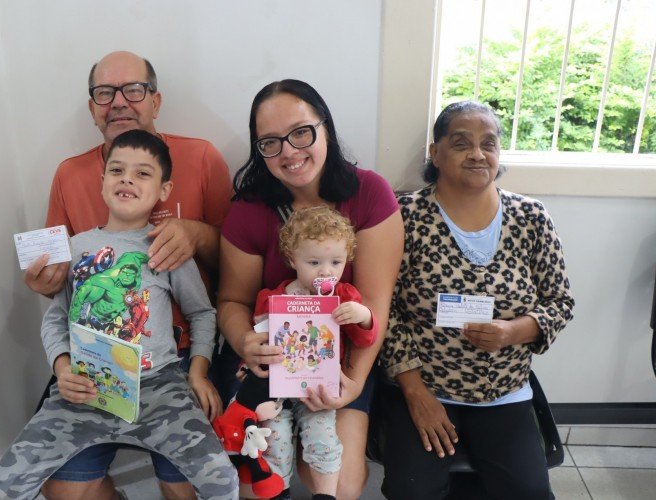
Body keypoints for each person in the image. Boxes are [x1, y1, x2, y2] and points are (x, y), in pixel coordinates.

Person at [0, 130, 237, 500]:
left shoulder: (164, 246)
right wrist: (63, 369)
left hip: (159, 387)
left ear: (164, 190)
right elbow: (56, 318)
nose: (127, 178)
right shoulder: (75, 247)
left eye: (143, 173)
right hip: (85, 387)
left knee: (221, 482)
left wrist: (197, 372)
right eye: (116, 170)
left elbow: (201, 312)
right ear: (102, 183)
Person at [24, 50, 232, 498]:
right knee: (59, 488)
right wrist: (44, 284)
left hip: (175, 357)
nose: (118, 102)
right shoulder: (69, 174)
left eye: (133, 90)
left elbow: (236, 259)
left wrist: (193, 234)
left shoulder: (202, 157)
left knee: (189, 484)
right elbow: (61, 290)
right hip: (93, 359)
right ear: (92, 107)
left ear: (155, 101)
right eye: (105, 92)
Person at [378, 101, 575, 500]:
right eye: (461, 143)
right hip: (423, 385)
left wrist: (513, 331)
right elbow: (387, 310)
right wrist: (415, 392)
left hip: (504, 391)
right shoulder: (405, 216)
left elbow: (560, 301)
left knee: (529, 493)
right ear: (435, 152)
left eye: (489, 143)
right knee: (414, 490)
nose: (477, 154)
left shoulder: (531, 217)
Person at [217, 79, 403, 498]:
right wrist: (245, 342)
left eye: (301, 132)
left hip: (341, 358)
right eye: (270, 142)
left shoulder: (370, 192)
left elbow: (374, 304)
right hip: (265, 359)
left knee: (343, 482)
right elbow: (232, 300)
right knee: (259, 473)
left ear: (326, 129)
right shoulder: (249, 209)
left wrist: (352, 383)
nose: (289, 151)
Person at [252, 205, 379, 499]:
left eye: (336, 262)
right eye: (314, 262)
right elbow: (258, 342)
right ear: (292, 259)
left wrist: (362, 315)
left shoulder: (344, 296)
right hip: (278, 389)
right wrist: (259, 340)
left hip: (319, 390)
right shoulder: (273, 298)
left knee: (323, 440)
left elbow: (366, 338)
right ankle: (279, 492)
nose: (326, 271)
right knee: (274, 438)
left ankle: (326, 495)